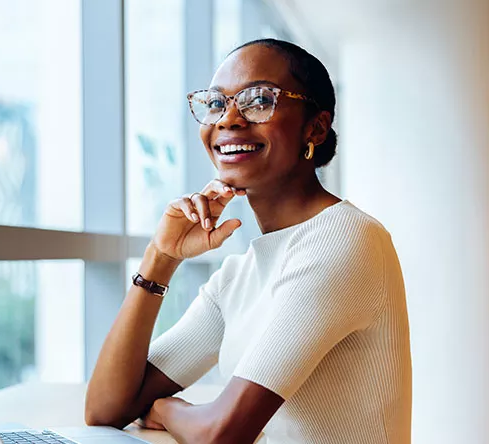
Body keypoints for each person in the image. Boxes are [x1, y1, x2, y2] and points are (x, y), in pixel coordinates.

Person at [85, 39, 412, 443]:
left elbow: (221, 435)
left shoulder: (345, 241)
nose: (228, 119)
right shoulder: (239, 275)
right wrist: (161, 257)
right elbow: (105, 408)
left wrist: (167, 409)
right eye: (215, 104)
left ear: (315, 127)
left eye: (258, 101)